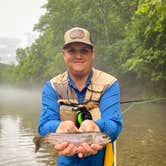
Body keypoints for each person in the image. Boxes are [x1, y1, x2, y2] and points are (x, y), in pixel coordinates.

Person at [38, 27, 123, 166]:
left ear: (92, 53)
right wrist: (59, 127)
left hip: (101, 161)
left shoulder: (109, 84)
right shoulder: (52, 87)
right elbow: (44, 125)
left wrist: (96, 125)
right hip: (67, 161)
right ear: (63, 54)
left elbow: (114, 124)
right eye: (72, 51)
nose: (78, 56)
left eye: (84, 50)